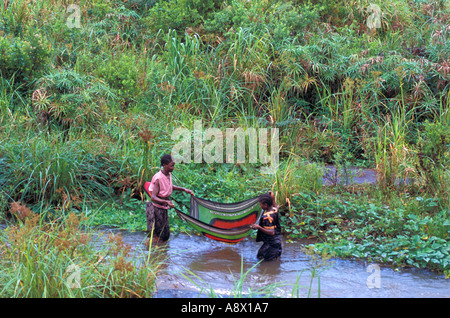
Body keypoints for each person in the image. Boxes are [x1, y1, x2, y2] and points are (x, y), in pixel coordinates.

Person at [146, 154, 194, 242]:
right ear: (164, 165)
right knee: (157, 234)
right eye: (171, 166)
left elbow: (169, 186)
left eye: (174, 165)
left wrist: (184, 189)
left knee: (165, 234)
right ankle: (154, 251)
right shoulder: (158, 178)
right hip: (155, 207)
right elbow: (153, 197)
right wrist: (167, 202)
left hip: (162, 205)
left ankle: (160, 252)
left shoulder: (168, 174)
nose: (173, 167)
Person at [251, 192, 282, 261]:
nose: (260, 206)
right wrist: (273, 198)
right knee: (273, 261)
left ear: (265, 205)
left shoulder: (267, 217)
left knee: (261, 259)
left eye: (260, 204)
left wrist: (259, 227)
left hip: (271, 244)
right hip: (277, 242)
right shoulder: (274, 210)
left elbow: (272, 232)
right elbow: (275, 206)